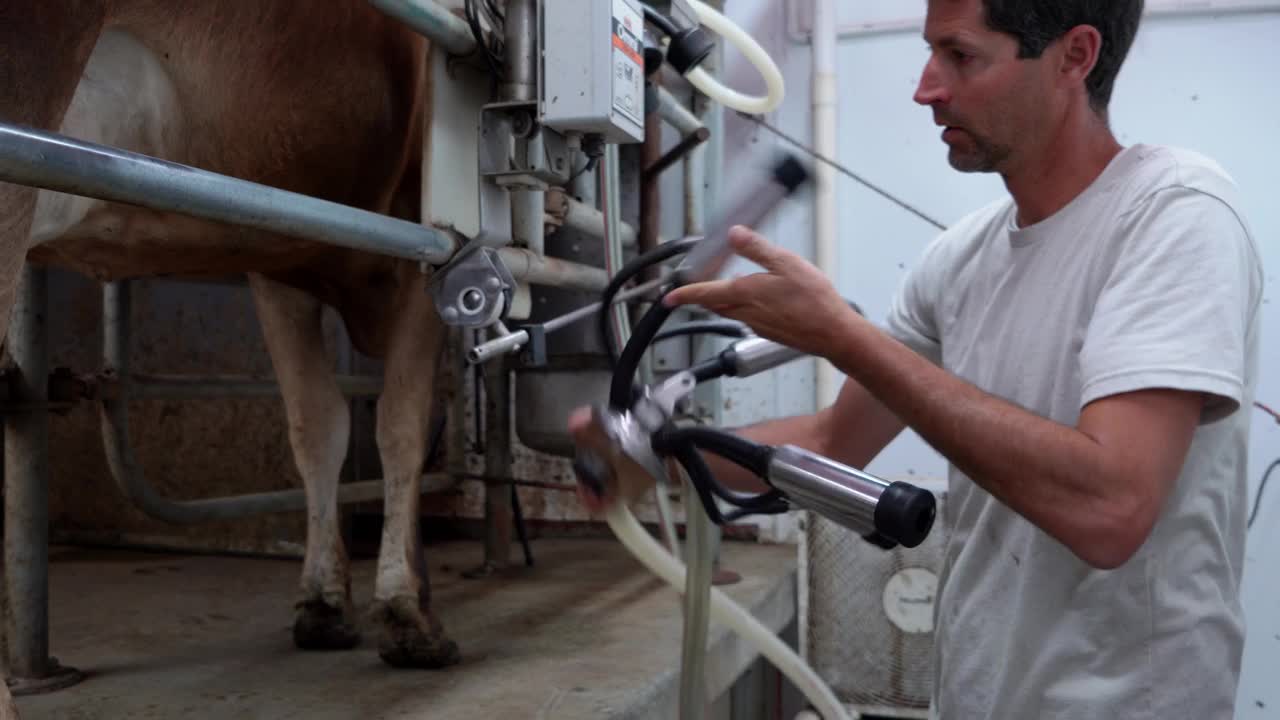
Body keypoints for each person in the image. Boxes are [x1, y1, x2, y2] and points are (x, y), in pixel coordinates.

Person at [569, 0, 1265, 717]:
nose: (926, 87)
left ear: (1074, 56)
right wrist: (648, 452)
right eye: (931, 52)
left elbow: (1111, 509)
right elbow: (831, 441)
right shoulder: (961, 257)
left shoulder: (1175, 214)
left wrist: (845, 336)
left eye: (961, 56)